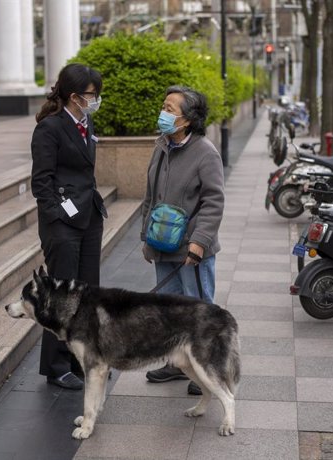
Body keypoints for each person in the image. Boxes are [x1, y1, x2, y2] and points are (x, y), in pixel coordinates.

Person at [141, 86, 225, 396]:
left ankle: (204, 368)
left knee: (198, 309)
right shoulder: (162, 146)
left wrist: (199, 241)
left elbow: (214, 201)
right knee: (168, 309)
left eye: (170, 109)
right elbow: (150, 197)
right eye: (163, 106)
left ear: (188, 120)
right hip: (163, 245)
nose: (163, 113)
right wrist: (146, 240)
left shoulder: (205, 152)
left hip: (191, 248)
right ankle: (177, 364)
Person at [31, 63, 108, 390]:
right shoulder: (50, 128)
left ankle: (81, 360)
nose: (96, 100)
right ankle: (55, 365)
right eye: (92, 95)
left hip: (89, 217)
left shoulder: (85, 121)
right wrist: (60, 216)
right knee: (62, 295)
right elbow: (41, 184)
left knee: (87, 293)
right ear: (74, 97)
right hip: (62, 226)